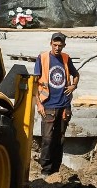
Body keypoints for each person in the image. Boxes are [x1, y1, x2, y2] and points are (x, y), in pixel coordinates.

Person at [33, 32, 80, 177]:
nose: (57, 48)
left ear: (64, 45)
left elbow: (76, 74)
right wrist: (39, 104)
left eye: (60, 45)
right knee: (47, 138)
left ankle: (56, 170)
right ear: (51, 44)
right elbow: (34, 83)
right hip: (48, 105)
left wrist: (73, 86)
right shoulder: (43, 58)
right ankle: (45, 170)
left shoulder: (66, 58)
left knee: (59, 138)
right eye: (55, 45)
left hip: (64, 105)